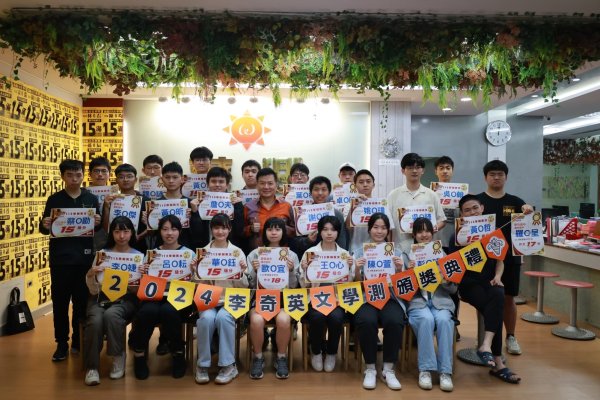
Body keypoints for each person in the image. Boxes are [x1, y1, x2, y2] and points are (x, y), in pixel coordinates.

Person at [450, 194, 521, 384]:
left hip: (489, 281)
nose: (472, 212)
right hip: (467, 285)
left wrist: (498, 277)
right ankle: (498, 363)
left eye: (475, 208)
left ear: (482, 208)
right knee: (495, 304)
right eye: (467, 210)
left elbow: (500, 260)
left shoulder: (493, 233)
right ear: (462, 214)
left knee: (498, 293)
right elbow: (453, 267)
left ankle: (487, 345)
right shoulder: (457, 235)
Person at [40, 159, 101, 361]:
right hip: (60, 260)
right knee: (60, 303)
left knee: (81, 303)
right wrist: (45, 223)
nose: (74, 179)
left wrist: (98, 222)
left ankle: (77, 340)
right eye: (70, 175)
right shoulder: (54, 199)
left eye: (78, 174)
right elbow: (44, 229)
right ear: (63, 176)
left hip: (84, 259)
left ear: (83, 175)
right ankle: (61, 343)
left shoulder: (91, 198)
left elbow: (96, 228)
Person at [477, 160, 533, 356]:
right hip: (483, 259)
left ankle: (510, 336)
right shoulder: (478, 202)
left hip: (510, 258)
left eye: (500, 174)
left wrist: (528, 211)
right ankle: (483, 338)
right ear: (485, 177)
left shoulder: (516, 202)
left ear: (506, 177)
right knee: (483, 297)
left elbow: (528, 226)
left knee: (509, 298)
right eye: (492, 174)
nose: (496, 177)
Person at [131, 215, 196, 380]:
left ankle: (178, 353)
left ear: (179, 231)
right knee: (147, 312)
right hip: (154, 295)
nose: (169, 233)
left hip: (179, 297)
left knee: (169, 311)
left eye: (173, 229)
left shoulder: (188, 254)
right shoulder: (152, 254)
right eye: (165, 229)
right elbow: (142, 282)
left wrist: (195, 271)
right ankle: (139, 354)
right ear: (159, 231)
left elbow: (196, 282)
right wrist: (142, 272)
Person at [83, 216, 141, 385]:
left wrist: (136, 281)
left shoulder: (138, 257)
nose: (121, 236)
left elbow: (139, 292)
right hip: (100, 299)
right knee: (95, 320)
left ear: (132, 233)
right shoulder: (102, 255)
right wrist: (91, 275)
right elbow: (93, 290)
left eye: (126, 231)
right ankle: (92, 367)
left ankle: (118, 357)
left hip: (125, 300)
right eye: (117, 232)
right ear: (112, 234)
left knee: (112, 315)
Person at [194, 214, 249, 385]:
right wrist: (196, 271)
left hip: (231, 299)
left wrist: (240, 273)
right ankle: (202, 365)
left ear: (229, 229)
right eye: (216, 227)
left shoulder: (237, 252)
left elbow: (244, 286)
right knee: (206, 319)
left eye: (224, 227)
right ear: (211, 229)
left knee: (223, 318)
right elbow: (197, 285)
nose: (220, 231)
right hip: (209, 299)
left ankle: (228, 365)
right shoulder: (203, 252)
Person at [353, 213, 405, 390]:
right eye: (376, 227)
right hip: (366, 298)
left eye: (383, 228)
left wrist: (399, 269)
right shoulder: (359, 252)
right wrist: (357, 269)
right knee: (366, 321)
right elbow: (355, 283)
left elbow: (401, 284)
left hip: (390, 297)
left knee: (395, 320)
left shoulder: (396, 252)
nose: (379, 231)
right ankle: (370, 368)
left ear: (388, 231)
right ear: (369, 230)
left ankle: (388, 369)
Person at [247, 217, 300, 379]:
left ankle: (281, 357)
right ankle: (258, 357)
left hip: (284, 298)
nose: (274, 232)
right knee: (256, 320)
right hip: (260, 298)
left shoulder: (291, 255)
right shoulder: (255, 254)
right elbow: (249, 284)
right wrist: (254, 271)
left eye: (278, 229)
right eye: (270, 229)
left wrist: (291, 270)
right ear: (265, 232)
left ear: (283, 232)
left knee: (283, 320)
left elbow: (294, 285)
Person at [300, 216, 354, 372]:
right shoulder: (310, 253)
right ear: (320, 232)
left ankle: (331, 353)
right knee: (317, 317)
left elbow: (349, 283)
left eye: (333, 230)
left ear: (338, 232)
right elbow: (303, 285)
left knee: (336, 318)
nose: (329, 233)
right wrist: (305, 270)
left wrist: (350, 268)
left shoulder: (344, 254)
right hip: (314, 297)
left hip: (336, 298)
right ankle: (316, 352)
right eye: (325, 229)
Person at [407, 217, 455, 392]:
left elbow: (453, 289)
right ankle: (425, 370)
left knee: (444, 321)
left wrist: (446, 279)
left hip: (440, 301)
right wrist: (409, 273)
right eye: (420, 231)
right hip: (418, 302)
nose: (424, 235)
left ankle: (445, 372)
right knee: (426, 320)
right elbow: (402, 290)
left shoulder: (442, 254)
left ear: (433, 232)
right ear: (414, 234)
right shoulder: (406, 256)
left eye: (427, 231)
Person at [387, 153, 446, 254]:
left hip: (426, 249)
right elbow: (388, 225)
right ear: (403, 171)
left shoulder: (432, 195)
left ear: (422, 170)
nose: (414, 171)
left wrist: (427, 230)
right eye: (410, 168)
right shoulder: (393, 195)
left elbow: (442, 220)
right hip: (400, 249)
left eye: (418, 167)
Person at [292, 176, 348, 258]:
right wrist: (308, 240)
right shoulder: (302, 214)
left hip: (332, 258)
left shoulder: (337, 214)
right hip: (309, 258)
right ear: (311, 192)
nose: (320, 193)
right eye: (316, 189)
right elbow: (295, 242)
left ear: (329, 192)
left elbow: (341, 239)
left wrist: (341, 258)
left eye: (324, 189)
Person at [244, 167, 296, 250]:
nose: (266, 187)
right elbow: (240, 232)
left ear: (276, 185)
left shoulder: (286, 206)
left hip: (282, 255)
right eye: (262, 183)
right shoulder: (248, 207)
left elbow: (296, 231)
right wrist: (250, 229)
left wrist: (284, 228)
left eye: (270, 183)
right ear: (257, 185)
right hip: (256, 255)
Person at [345, 169, 376, 254]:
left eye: (368, 181)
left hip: (377, 249)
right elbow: (348, 227)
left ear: (373, 185)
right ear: (355, 186)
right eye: (361, 182)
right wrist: (354, 206)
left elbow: (387, 229)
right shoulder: (349, 205)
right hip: (355, 249)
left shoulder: (380, 204)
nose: (365, 185)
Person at [88, 156, 112, 251]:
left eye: (104, 171)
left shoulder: (117, 195)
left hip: (110, 236)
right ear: (90, 174)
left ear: (109, 174)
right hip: (88, 236)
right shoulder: (82, 193)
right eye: (96, 171)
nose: (100, 174)